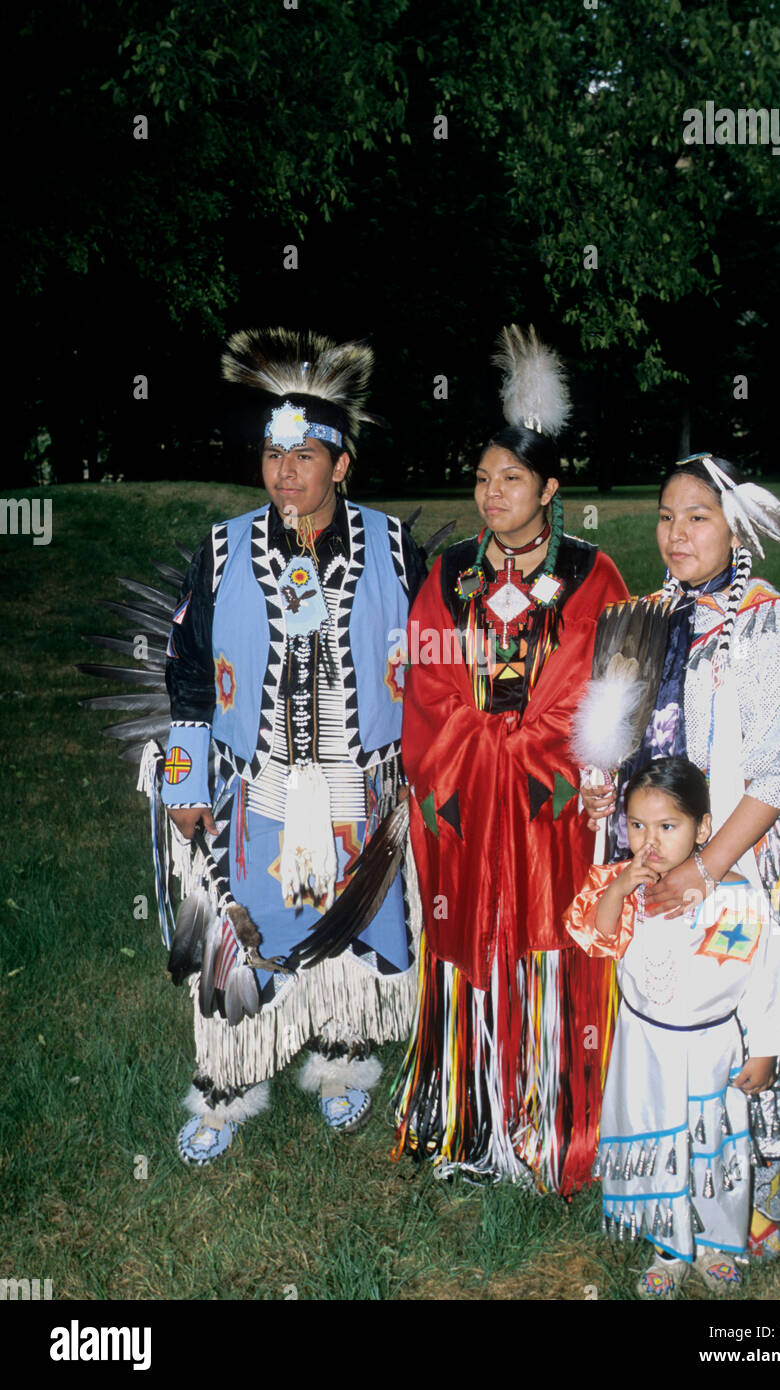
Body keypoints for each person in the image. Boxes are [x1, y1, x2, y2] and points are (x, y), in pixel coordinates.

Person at [154, 327, 425, 1164]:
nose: (285, 473)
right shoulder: (226, 547)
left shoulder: (390, 546)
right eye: (274, 456)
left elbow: (428, 667)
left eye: (304, 456)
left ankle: (344, 1062)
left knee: (356, 927)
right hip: (254, 792)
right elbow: (188, 672)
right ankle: (226, 1087)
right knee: (242, 935)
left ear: (342, 464)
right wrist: (185, 780)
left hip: (361, 788)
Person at [581, 453, 780, 1257]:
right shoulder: (641, 618)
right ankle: (668, 1177)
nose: (677, 531)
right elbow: (615, 742)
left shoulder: (772, 625)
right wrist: (604, 792)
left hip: (740, 864)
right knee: (666, 1013)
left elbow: (777, 773)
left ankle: (753, 1179)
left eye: (698, 516)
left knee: (743, 1021)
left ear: (735, 526)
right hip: (658, 856)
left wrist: (708, 867)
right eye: (666, 515)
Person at [392, 326, 628, 1194]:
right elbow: (427, 682)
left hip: (550, 813)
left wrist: (524, 752)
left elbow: (591, 690)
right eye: (484, 478)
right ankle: (466, 1113)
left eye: (513, 479)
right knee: (463, 939)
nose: (493, 494)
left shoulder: (590, 573)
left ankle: (551, 1117)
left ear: (549, 488)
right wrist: (476, 750)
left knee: (547, 943)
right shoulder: (449, 571)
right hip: (460, 808)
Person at [565, 757, 780, 1298]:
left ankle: (718, 1240)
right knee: (658, 1142)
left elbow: (767, 972)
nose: (650, 841)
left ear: (704, 829)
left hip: (712, 1047)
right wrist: (620, 888)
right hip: (645, 1047)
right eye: (637, 825)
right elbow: (597, 939)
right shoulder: (625, 887)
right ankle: (668, 1247)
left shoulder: (736, 898)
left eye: (668, 827)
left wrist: (762, 1047)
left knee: (711, 1144)